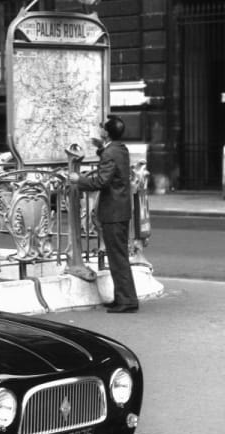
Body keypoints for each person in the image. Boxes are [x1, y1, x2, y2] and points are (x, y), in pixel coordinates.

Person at [69, 115, 138, 313]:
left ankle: (127, 301)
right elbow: (110, 161)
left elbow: (101, 181)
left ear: (106, 132)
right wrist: (101, 147)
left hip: (113, 211)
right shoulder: (120, 149)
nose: (99, 128)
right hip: (121, 209)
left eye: (101, 127)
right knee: (119, 256)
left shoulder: (110, 152)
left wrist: (78, 179)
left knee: (117, 258)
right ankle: (123, 298)